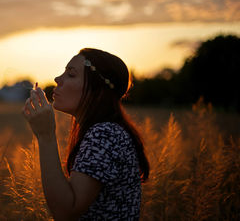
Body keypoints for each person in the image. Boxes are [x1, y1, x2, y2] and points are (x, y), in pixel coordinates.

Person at [22, 48, 149, 220]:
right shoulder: (106, 131)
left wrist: (46, 136)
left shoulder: (105, 134)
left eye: (71, 74)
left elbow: (66, 211)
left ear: (97, 90)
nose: (57, 79)